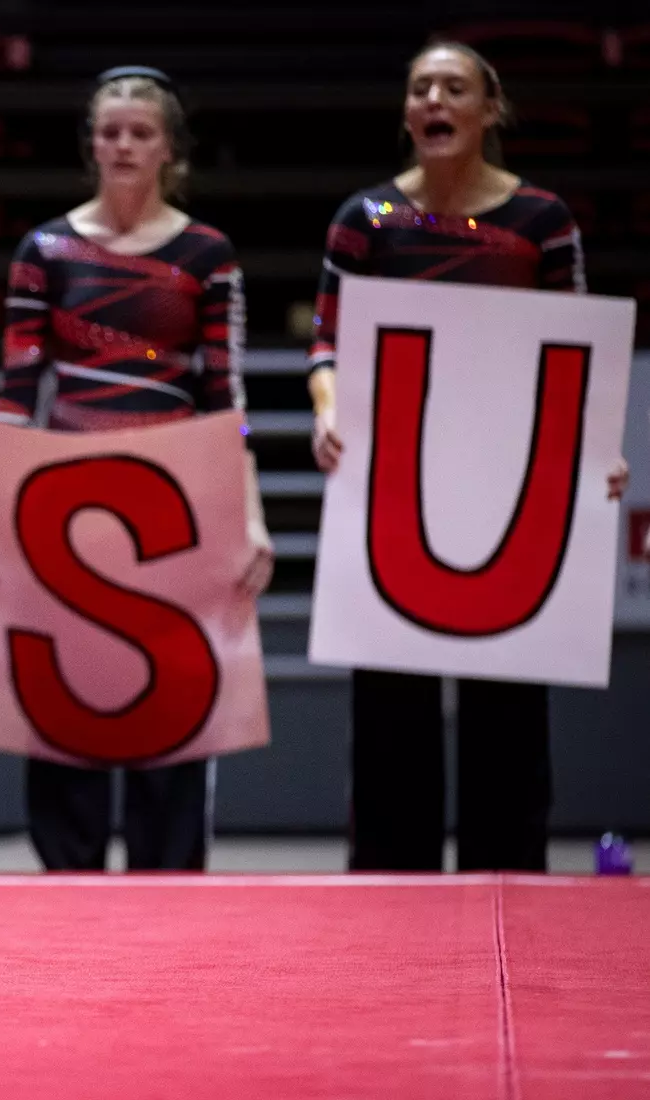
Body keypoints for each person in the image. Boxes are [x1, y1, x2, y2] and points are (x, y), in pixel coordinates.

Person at [308, 40, 629, 872]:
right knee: (390, 714)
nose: (433, 100)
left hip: (511, 489)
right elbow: (326, 349)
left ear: (491, 110)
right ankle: (388, 886)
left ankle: (510, 879)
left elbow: (577, 349)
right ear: (408, 112)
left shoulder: (541, 222)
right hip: (390, 488)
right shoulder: (364, 219)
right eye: (420, 88)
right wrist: (329, 414)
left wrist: (599, 450)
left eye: (453, 87)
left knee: (508, 709)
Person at [0, 66, 272, 873]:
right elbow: (19, 387)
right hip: (64, 502)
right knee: (67, 690)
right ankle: (67, 876)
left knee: (173, 694)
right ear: (91, 144)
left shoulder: (208, 253)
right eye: (110, 131)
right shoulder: (46, 248)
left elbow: (224, 395)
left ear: (169, 146)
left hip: (177, 503)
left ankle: (168, 879)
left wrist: (250, 514)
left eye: (141, 132)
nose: (124, 144)